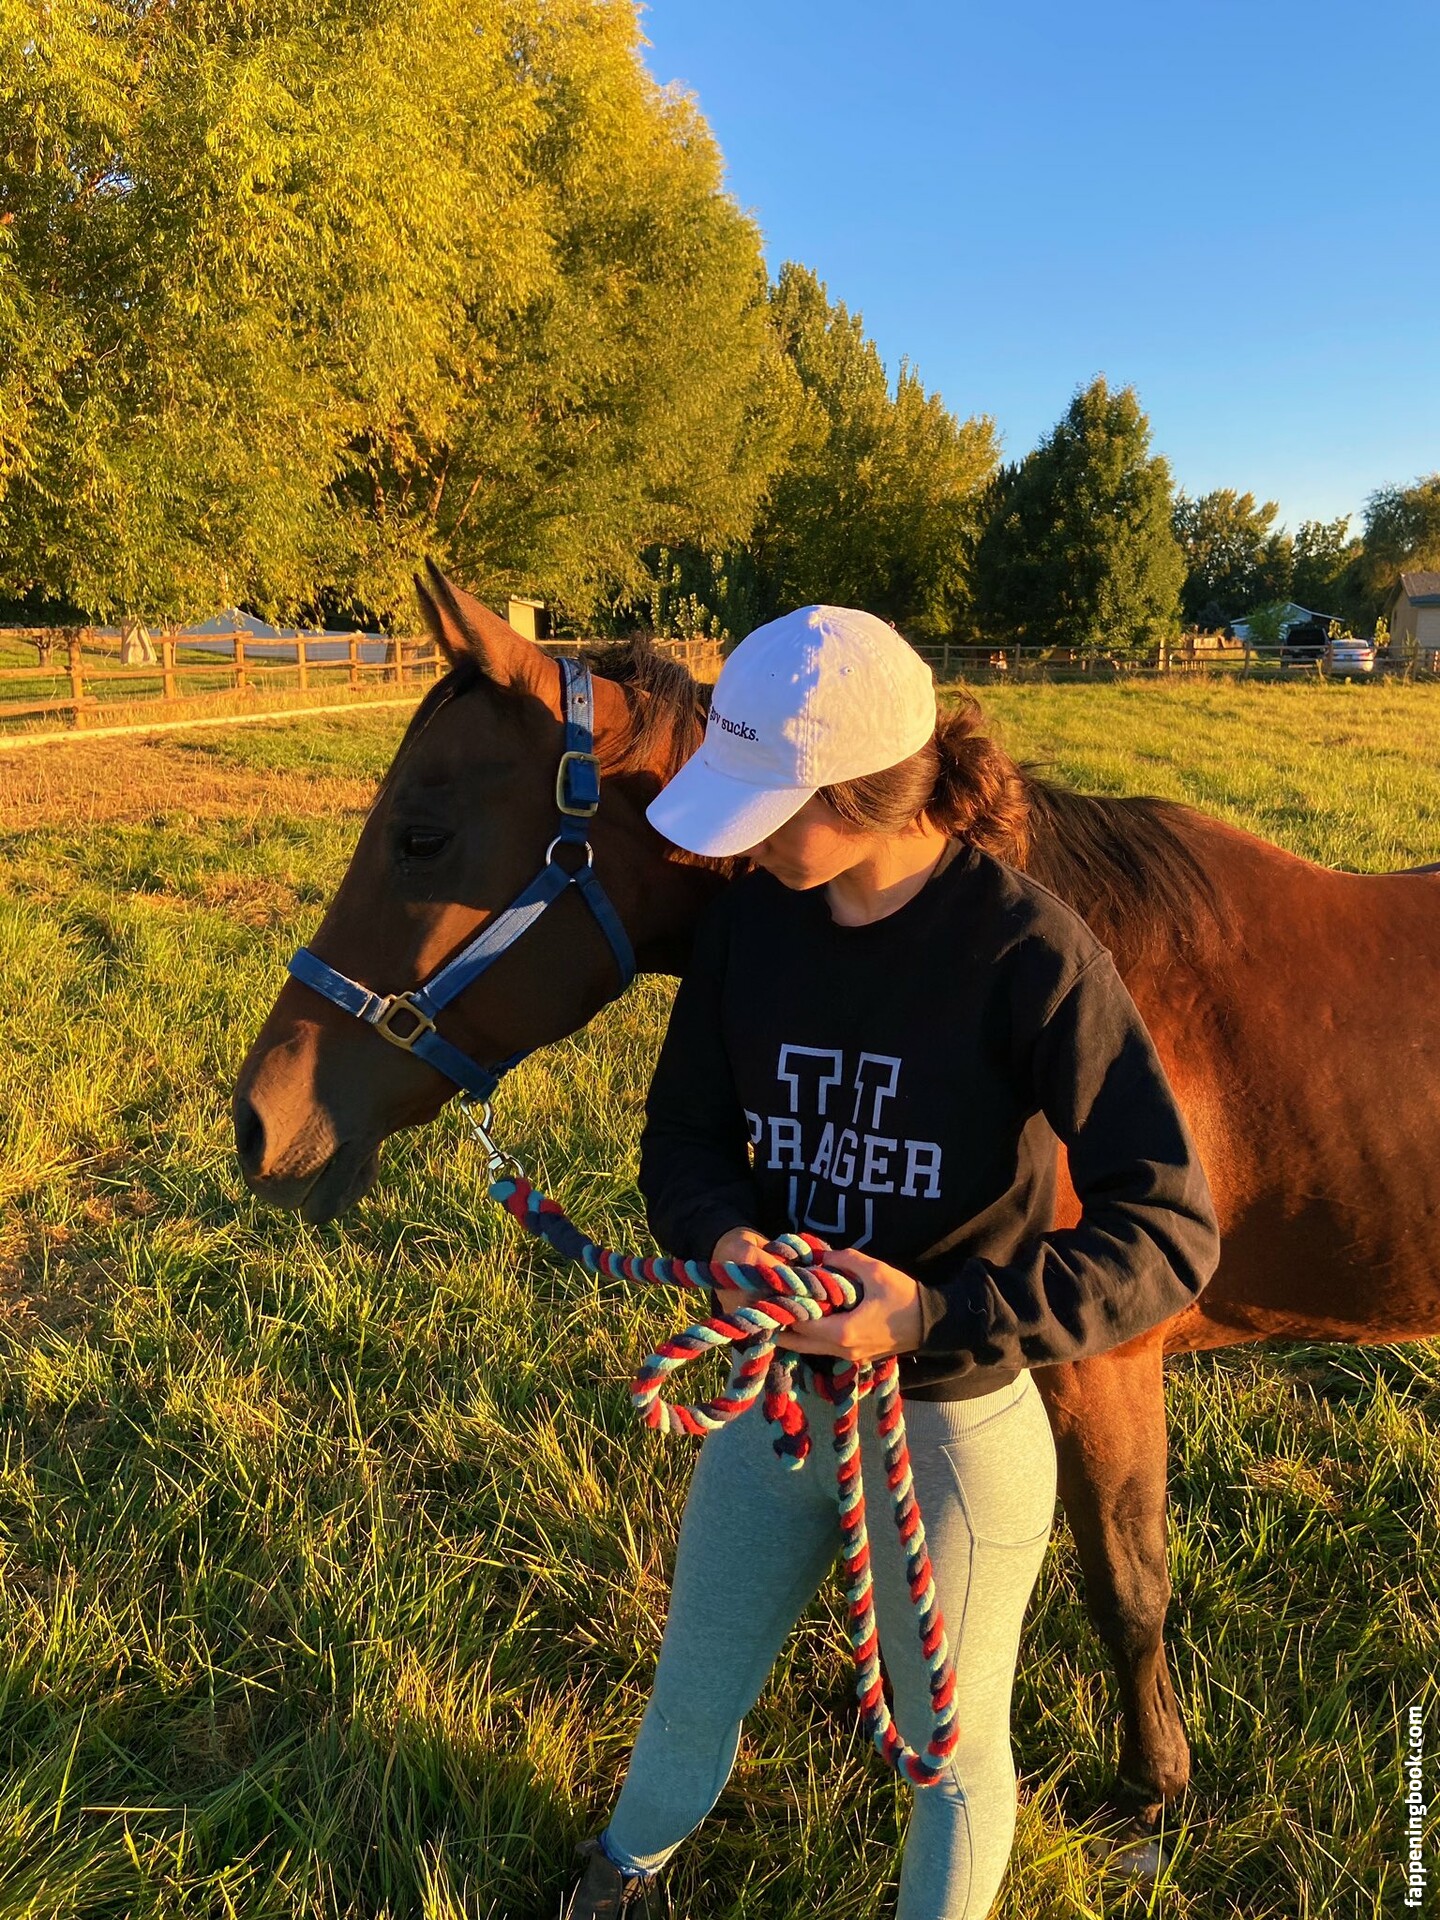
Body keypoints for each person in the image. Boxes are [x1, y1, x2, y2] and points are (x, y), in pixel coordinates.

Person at [565, 605, 1221, 1920]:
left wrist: (933, 1314)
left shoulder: (1029, 955)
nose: (739, 841)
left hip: (951, 1436)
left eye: (765, 807)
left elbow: (1169, 1229)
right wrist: (721, 1234)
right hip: (776, 1411)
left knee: (949, 1757)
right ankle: (621, 1871)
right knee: (692, 1685)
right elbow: (684, 1134)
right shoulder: (753, 926)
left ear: (856, 797)